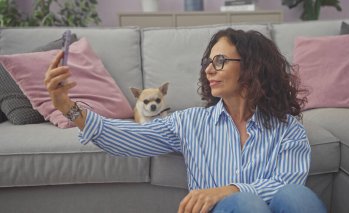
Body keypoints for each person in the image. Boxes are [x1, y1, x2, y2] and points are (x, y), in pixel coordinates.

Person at [44, 28, 326, 213]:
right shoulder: (190, 122)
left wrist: (229, 189)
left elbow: (287, 180)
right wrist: (69, 108)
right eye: (208, 62)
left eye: (219, 62)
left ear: (252, 67)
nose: (208, 70)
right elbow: (129, 138)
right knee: (245, 203)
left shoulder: (287, 128)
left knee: (296, 196)